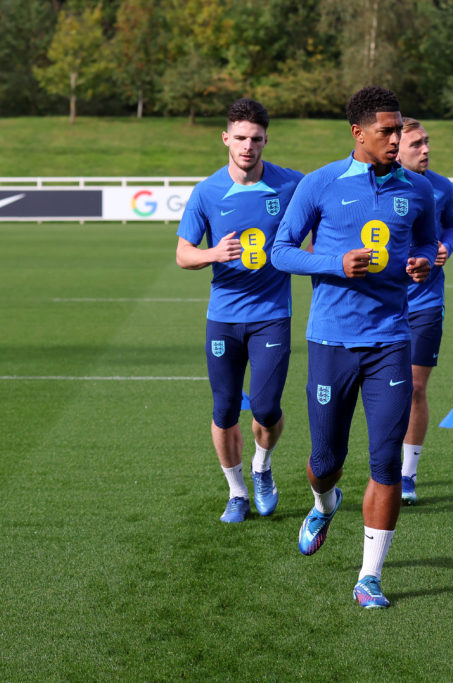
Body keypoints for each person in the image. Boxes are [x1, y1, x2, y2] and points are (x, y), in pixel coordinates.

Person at [271, 86, 438, 609]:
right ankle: (324, 502)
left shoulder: (419, 190)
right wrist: (333, 264)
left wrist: (424, 263)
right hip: (331, 342)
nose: (397, 139)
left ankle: (369, 577)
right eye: (387, 131)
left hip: (391, 338)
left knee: (386, 461)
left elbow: (429, 245)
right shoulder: (319, 184)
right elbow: (280, 252)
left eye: (399, 130)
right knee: (325, 460)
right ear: (358, 133)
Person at [175, 98, 303, 523]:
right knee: (225, 407)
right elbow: (182, 255)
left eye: (256, 139)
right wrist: (213, 253)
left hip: (271, 314)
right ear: (225, 138)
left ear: (266, 140)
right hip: (224, 317)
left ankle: (262, 468)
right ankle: (236, 493)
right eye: (241, 138)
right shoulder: (207, 191)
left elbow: (322, 222)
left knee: (266, 408)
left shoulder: (290, 185)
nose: (248, 146)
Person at [396, 117, 453, 505]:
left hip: (424, 304)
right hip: (380, 305)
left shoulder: (441, 187)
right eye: (417, 144)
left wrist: (446, 248)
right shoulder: (372, 186)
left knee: (416, 388)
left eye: (427, 142)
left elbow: (452, 225)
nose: (426, 149)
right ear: (395, 147)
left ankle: (407, 474)